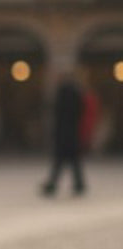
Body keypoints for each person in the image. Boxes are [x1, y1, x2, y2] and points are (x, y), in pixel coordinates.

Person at [41, 69, 87, 197]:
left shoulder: (62, 92)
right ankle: (78, 184)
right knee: (73, 160)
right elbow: (80, 110)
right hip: (72, 132)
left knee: (60, 160)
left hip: (63, 133)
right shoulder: (76, 92)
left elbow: (58, 113)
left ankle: (53, 184)